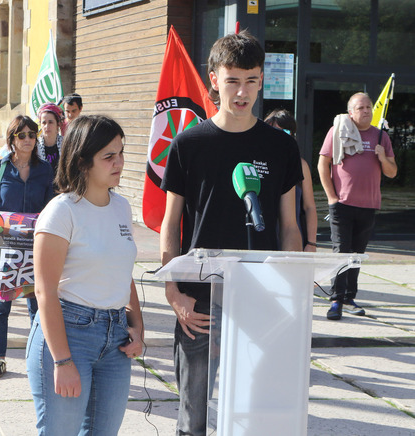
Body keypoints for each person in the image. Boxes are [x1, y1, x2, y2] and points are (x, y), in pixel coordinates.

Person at [159, 32, 303, 436]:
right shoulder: (189, 144)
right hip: (199, 301)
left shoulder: (281, 147)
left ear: (262, 81)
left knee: (255, 414)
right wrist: (173, 291)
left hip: (262, 297)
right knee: (194, 417)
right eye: (233, 80)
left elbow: (289, 226)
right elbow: (171, 224)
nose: (242, 91)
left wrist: (291, 284)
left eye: (251, 80)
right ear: (214, 79)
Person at [27, 115, 144, 435]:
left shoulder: (121, 207)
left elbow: (122, 270)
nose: (119, 162)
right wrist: (62, 362)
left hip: (116, 339)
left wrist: (137, 327)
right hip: (68, 335)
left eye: (121, 153)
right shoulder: (61, 212)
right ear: (81, 162)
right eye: (108, 156)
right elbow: (45, 291)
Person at [0, 115, 54, 379]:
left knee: (36, 305)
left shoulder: (45, 170)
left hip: (35, 247)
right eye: (21, 135)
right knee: (1, 306)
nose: (28, 140)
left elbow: (51, 207)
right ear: (12, 139)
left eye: (32, 135)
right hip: (5, 246)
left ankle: (37, 356)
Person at [318, 92, 397, 320]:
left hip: (368, 205)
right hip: (342, 204)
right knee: (340, 253)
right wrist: (331, 197)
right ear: (350, 112)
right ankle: (335, 300)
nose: (366, 111)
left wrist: (382, 158)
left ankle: (349, 298)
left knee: (356, 255)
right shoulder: (338, 131)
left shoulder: (381, 136)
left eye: (369, 107)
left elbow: (392, 172)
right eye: (361, 108)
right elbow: (323, 164)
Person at [264, 109, 318, 252]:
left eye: (283, 133)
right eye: (271, 131)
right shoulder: (258, 163)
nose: (276, 137)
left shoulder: (300, 165)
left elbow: (310, 207)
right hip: (264, 236)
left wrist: (311, 243)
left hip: (292, 237)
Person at [36, 103, 64, 177]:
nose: (47, 126)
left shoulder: (66, 144)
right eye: (44, 123)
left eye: (50, 122)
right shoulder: (35, 146)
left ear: (58, 124)